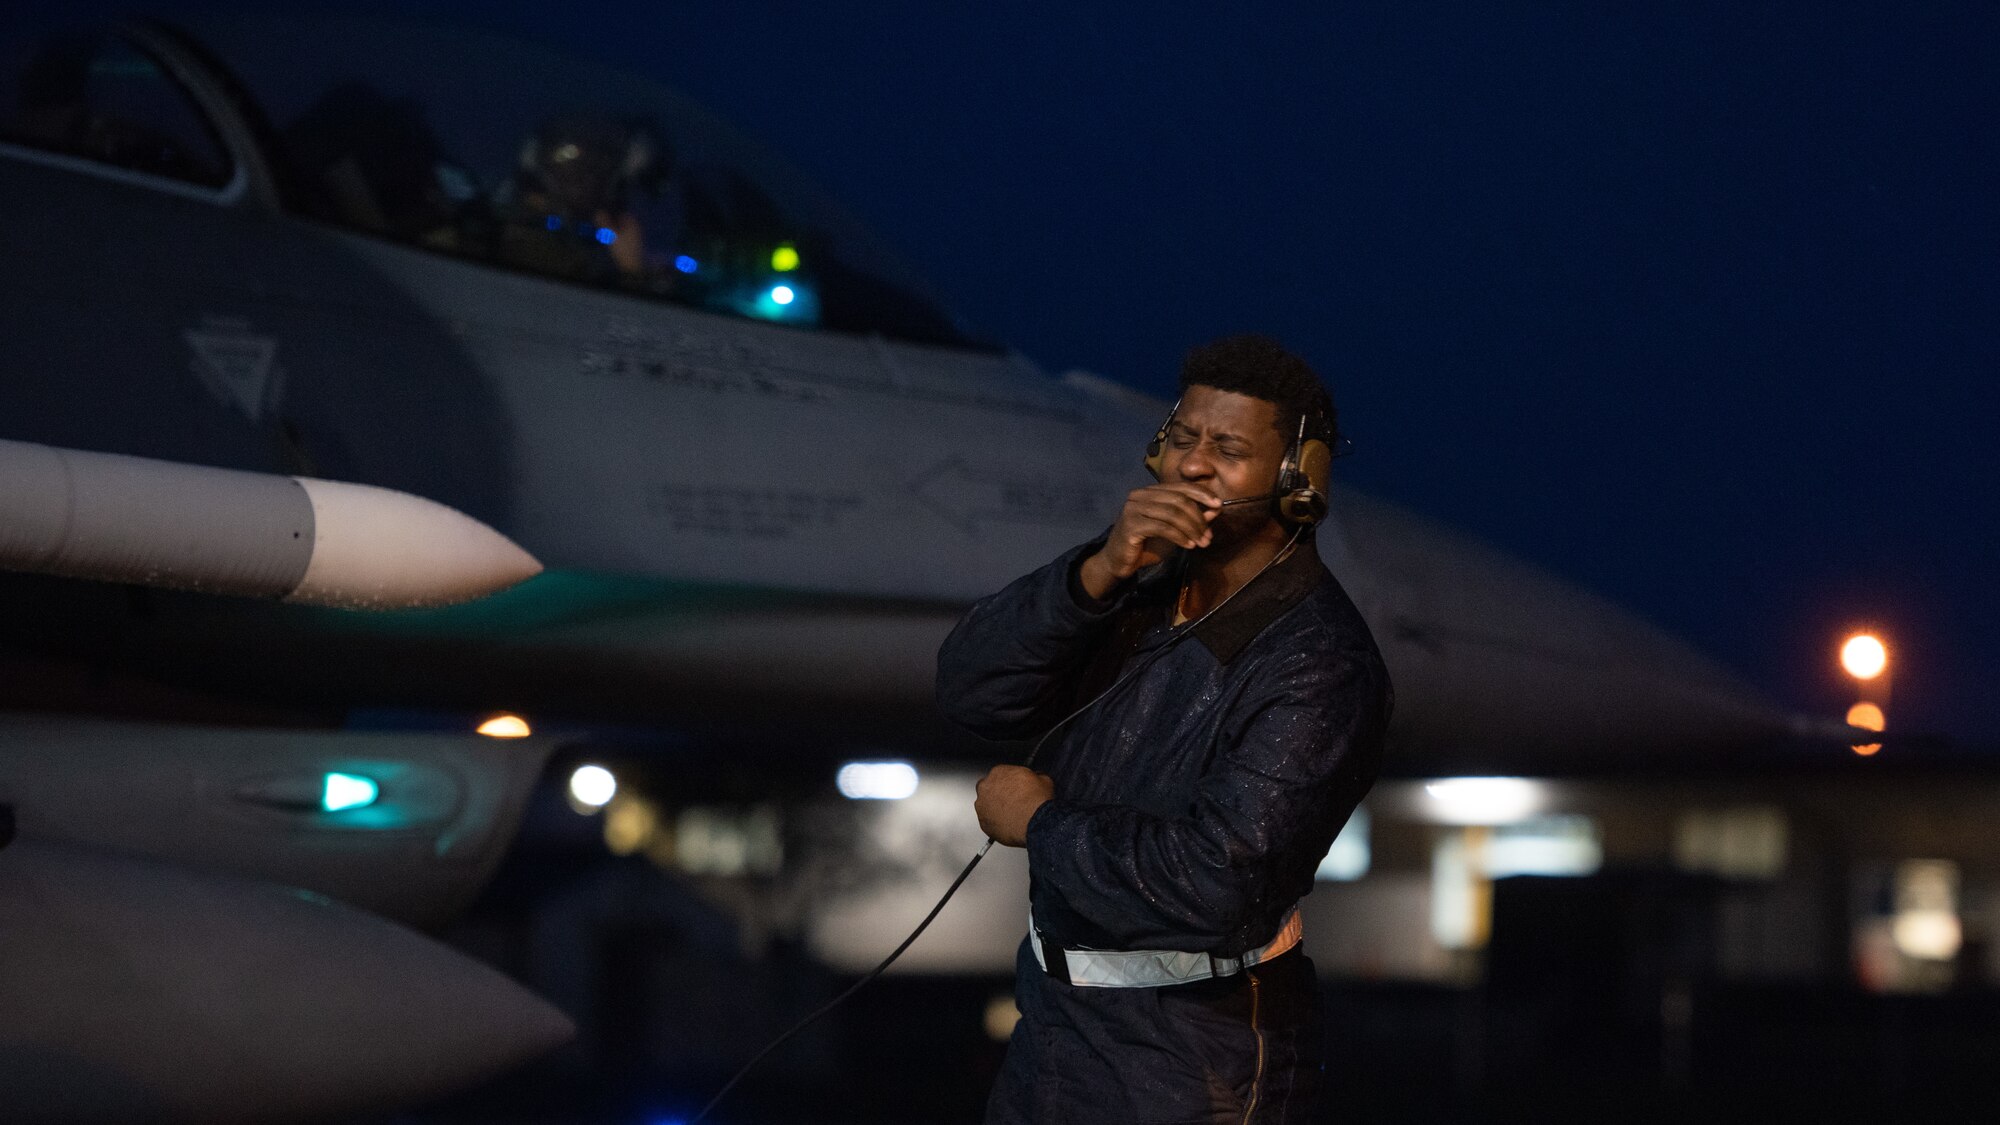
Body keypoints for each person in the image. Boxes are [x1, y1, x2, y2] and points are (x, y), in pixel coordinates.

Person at [935, 333, 1393, 1124]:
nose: (1191, 466)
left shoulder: (1320, 664)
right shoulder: (1135, 589)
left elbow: (1217, 882)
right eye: (1182, 438)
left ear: (1297, 479)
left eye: (1228, 449)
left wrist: (1041, 823)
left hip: (1194, 1057)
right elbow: (973, 692)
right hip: (1053, 1027)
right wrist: (1096, 573)